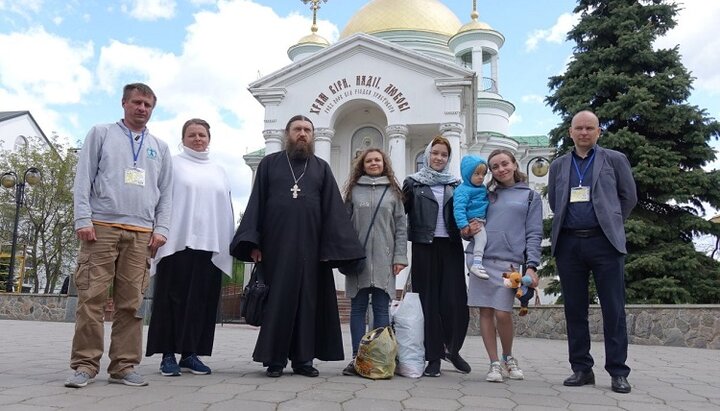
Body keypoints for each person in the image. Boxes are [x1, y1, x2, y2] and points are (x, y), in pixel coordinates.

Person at [230, 114, 365, 378]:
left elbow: (333, 211)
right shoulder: (269, 164)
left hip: (312, 250)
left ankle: (304, 360)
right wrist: (254, 243)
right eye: (297, 130)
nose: (302, 134)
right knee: (278, 303)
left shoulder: (321, 168)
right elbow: (256, 203)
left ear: (313, 136)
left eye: (307, 130)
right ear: (287, 134)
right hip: (276, 248)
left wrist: (332, 250)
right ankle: (275, 360)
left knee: (308, 303)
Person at [66, 83, 172, 388]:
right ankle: (85, 365)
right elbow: (83, 177)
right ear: (124, 103)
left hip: (141, 233)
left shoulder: (160, 147)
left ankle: (124, 366)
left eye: (148, 105)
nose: (142, 109)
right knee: (91, 298)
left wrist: (162, 229)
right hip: (100, 227)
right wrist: (82, 219)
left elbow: (166, 193)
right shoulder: (101, 133)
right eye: (136, 102)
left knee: (132, 303)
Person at [548, 110, 637, 394]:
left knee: (613, 308)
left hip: (605, 243)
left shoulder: (614, 159)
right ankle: (581, 368)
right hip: (569, 244)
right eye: (579, 128)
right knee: (574, 309)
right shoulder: (559, 165)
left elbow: (628, 196)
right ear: (571, 132)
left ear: (598, 132)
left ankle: (618, 372)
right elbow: (554, 199)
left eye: (590, 128)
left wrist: (610, 220)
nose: (584, 132)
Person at [145, 118, 234, 377]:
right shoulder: (171, 163)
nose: (198, 139)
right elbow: (160, 199)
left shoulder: (219, 170)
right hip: (176, 242)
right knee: (172, 298)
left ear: (209, 138)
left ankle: (191, 353)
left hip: (209, 245)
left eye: (202, 135)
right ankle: (168, 354)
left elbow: (225, 208)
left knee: (201, 302)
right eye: (192, 134)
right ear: (183, 139)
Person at [467, 149, 541, 382]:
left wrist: (532, 266)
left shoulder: (530, 196)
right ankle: (494, 363)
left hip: (510, 264)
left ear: (514, 163)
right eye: (495, 167)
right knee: (486, 312)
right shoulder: (486, 195)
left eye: (504, 164)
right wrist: (467, 230)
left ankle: (509, 357)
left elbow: (534, 233)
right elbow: (473, 225)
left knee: (503, 312)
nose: (501, 169)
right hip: (482, 261)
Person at [402, 136, 471, 377]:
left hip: (451, 246)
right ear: (427, 154)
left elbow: (468, 212)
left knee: (455, 302)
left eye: (444, 154)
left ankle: (452, 349)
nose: (439, 158)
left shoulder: (457, 184)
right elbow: (401, 217)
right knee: (428, 303)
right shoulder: (413, 183)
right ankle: (433, 358)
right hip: (424, 246)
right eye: (435, 153)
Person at [341, 148, 408, 376]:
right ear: (362, 164)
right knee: (357, 308)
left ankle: (380, 359)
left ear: (384, 163)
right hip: (358, 261)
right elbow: (343, 226)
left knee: (381, 309)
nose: (373, 163)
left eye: (377, 160)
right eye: (369, 160)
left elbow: (401, 226)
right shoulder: (353, 191)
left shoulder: (393, 193)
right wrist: (344, 253)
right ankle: (356, 358)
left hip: (385, 259)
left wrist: (400, 256)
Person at [453, 154, 490, 279]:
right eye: (476, 174)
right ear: (468, 174)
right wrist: (464, 225)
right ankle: (477, 264)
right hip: (474, 220)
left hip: (481, 218)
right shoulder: (463, 190)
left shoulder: (482, 188)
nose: (481, 177)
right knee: (482, 239)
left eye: (483, 174)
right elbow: (459, 209)